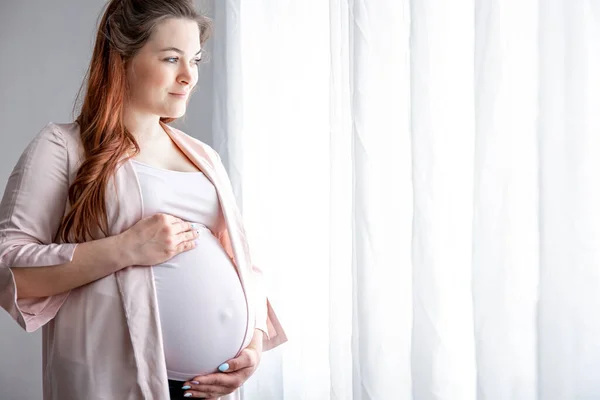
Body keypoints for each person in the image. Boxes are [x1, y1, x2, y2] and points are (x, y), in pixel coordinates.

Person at [0, 0, 287, 399]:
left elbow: (242, 264)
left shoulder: (204, 157)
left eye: (196, 60)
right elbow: (9, 270)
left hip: (209, 387)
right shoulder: (63, 147)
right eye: (172, 58)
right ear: (121, 59)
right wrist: (125, 249)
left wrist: (253, 343)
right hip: (114, 381)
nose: (189, 76)